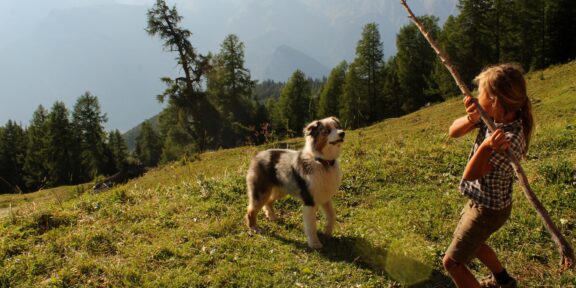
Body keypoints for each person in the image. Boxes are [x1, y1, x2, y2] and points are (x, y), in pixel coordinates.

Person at [443, 63, 534, 288]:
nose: (476, 97)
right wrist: (472, 118)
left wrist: (485, 147)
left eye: (481, 94)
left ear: (493, 101)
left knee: (452, 263)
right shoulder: (496, 119)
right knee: (477, 244)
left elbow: (470, 174)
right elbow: (453, 132)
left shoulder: (507, 140)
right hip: (486, 202)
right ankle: (504, 280)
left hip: (488, 209)